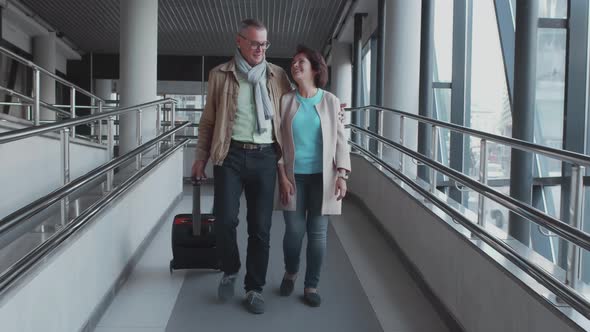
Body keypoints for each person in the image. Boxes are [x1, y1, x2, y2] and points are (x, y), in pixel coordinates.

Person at [192, 18, 291, 314]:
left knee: (260, 228)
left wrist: (332, 107)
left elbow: (294, 111)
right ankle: (231, 269)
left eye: (264, 43)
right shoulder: (220, 75)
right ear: (239, 41)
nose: (260, 49)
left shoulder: (277, 76)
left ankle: (254, 288)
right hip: (230, 156)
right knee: (224, 220)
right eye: (254, 43)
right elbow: (208, 121)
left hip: (265, 158)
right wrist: (200, 157)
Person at [277, 45, 351, 307]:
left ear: (315, 69)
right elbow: (279, 143)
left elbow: (341, 140)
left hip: (323, 179)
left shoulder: (330, 101)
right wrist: (282, 176)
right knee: (294, 233)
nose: (295, 65)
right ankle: (291, 271)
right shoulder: (286, 100)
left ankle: (311, 285)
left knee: (318, 236)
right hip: (293, 178)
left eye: (301, 62)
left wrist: (342, 174)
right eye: (294, 62)